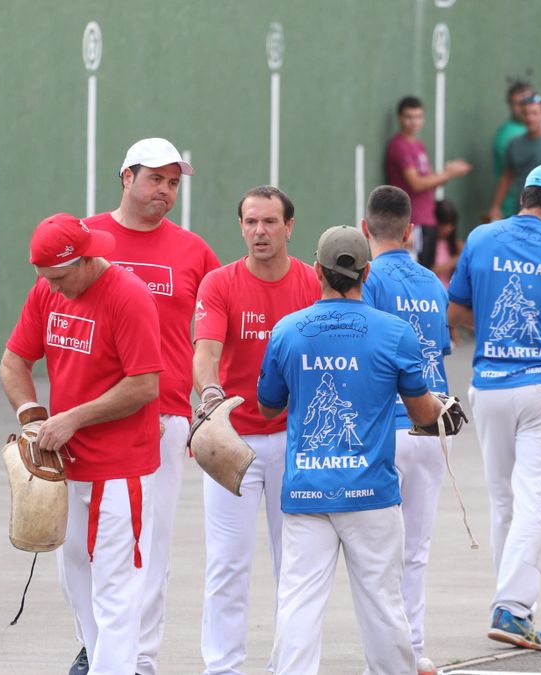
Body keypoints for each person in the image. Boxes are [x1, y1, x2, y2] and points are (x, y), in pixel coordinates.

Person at [258, 225, 444, 675]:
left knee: (299, 598)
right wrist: (439, 407)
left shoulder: (288, 331)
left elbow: (267, 408)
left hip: (306, 492)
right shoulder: (395, 333)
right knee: (382, 600)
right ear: (366, 272)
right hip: (371, 494)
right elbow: (423, 414)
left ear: (317, 269)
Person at [446, 163, 541, 651]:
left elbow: (455, 311)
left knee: (503, 500)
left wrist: (495, 326)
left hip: (490, 385)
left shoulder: (481, 237)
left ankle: (513, 605)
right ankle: (512, 609)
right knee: (534, 499)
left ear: (522, 197)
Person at [0, 213, 163, 675]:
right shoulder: (46, 291)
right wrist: (33, 419)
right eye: (43, 278)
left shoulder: (128, 296)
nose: (51, 287)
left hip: (120, 470)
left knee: (116, 590)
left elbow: (144, 385)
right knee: (78, 584)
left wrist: (72, 418)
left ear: (85, 260)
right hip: (66, 470)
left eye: (58, 277)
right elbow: (13, 363)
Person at [84, 137, 220, 675]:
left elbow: (217, 328)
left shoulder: (193, 251)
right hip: (88, 418)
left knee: (149, 545)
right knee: (84, 550)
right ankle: (98, 651)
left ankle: (139, 659)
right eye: (156, 179)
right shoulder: (87, 237)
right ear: (126, 177)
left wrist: (211, 401)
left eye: (174, 182)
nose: (165, 190)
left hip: (163, 418)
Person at [191, 186, 320, 675]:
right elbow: (205, 352)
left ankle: (291, 666)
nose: (259, 232)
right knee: (227, 564)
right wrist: (210, 398)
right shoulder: (219, 283)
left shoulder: (312, 284)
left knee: (296, 567)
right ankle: (223, 668)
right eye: (250, 222)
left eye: (269, 222)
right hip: (232, 445)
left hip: (297, 443)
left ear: (290, 227)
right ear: (241, 227)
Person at [360, 186, 453, 664]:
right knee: (416, 548)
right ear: (411, 231)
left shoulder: (368, 278)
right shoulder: (434, 283)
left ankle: (384, 655)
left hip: (387, 425)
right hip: (434, 426)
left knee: (378, 553)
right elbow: (440, 351)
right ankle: (414, 652)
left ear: (363, 229)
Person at [386, 96, 473, 268]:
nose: (414, 122)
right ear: (399, 118)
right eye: (409, 117)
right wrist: (448, 174)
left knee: (426, 272)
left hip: (428, 220)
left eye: (418, 117)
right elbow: (417, 184)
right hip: (413, 222)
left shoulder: (418, 145)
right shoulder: (399, 146)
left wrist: (446, 173)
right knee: (416, 272)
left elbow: (430, 182)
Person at [489, 93, 541, 222]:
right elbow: (507, 176)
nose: (530, 118)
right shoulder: (514, 144)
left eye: (534, 113)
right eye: (526, 113)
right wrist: (496, 206)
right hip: (520, 210)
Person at [493, 81, 534, 217]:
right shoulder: (507, 135)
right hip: (514, 207)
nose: (523, 108)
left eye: (527, 101)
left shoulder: (536, 130)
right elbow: (509, 174)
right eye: (518, 103)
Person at [433, 199, 462, 286]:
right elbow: (429, 271)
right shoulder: (427, 245)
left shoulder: (457, 245)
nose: (448, 228)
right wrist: (455, 261)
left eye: (451, 224)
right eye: (444, 224)